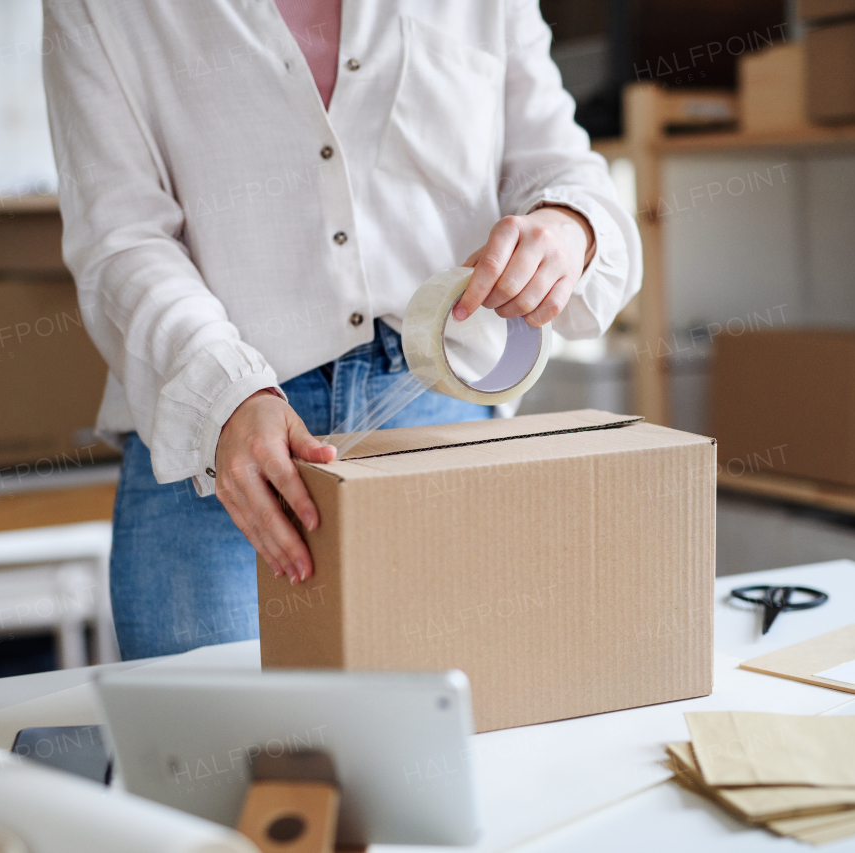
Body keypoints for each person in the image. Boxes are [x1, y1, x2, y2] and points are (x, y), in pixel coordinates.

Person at [42, 0, 641, 660]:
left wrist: (567, 226)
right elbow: (121, 238)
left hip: (438, 423)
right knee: (218, 755)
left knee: (457, 741)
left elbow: (562, 168)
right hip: (220, 455)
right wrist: (225, 397)